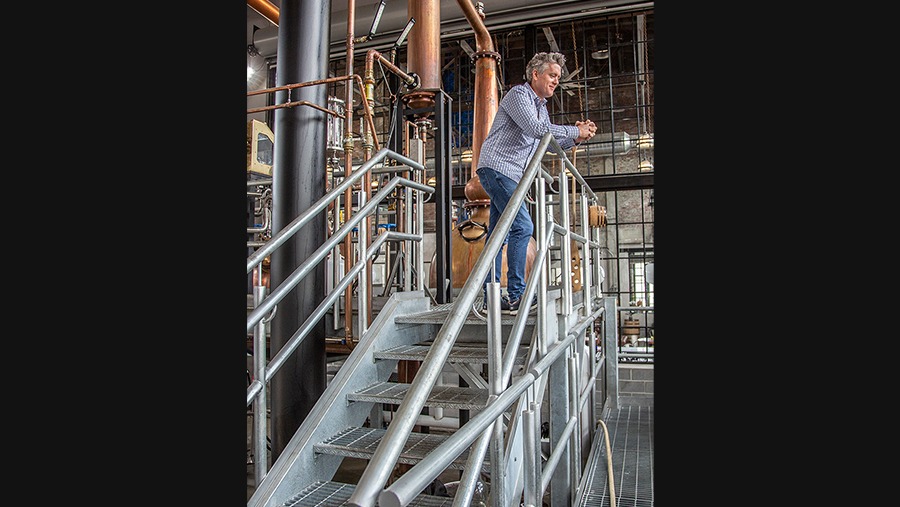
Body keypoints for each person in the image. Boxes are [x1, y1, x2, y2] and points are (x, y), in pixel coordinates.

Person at [477, 51, 596, 315]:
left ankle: (492, 297)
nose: (556, 81)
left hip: (511, 174)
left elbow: (549, 144)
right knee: (523, 226)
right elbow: (537, 130)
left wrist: (576, 138)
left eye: (558, 77)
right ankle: (517, 295)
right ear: (535, 75)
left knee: (499, 235)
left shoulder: (540, 107)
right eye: (552, 75)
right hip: (498, 168)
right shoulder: (520, 95)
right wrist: (575, 130)